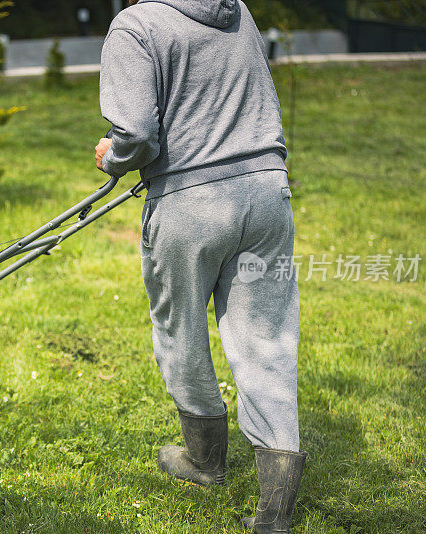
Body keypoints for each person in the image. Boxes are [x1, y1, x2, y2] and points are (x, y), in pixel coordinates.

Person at [95, 1, 305, 532]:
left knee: (180, 330)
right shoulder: (238, 12)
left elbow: (138, 135)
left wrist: (111, 157)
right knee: (268, 340)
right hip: (266, 191)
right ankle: (275, 512)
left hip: (190, 203)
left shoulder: (135, 25)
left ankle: (206, 461)